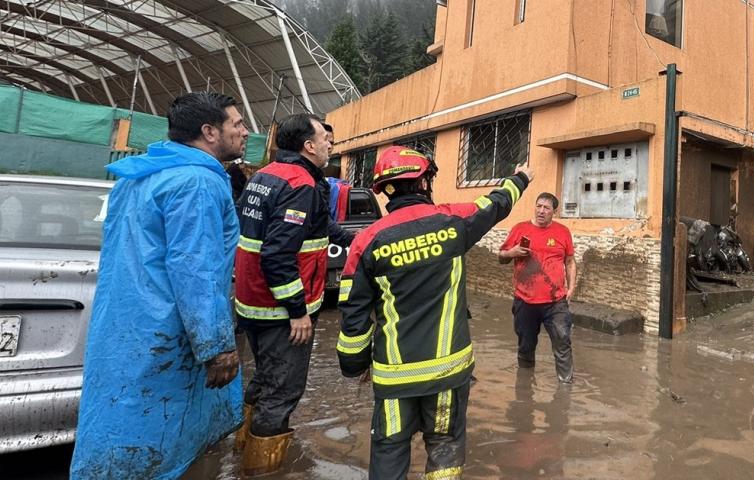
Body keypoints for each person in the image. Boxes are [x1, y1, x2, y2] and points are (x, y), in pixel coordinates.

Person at [70, 92, 248, 479]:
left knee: (122, 424)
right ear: (209, 132)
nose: (244, 132)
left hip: (127, 329)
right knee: (165, 443)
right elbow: (195, 268)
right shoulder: (198, 183)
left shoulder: (140, 178)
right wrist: (216, 347)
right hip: (170, 335)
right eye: (236, 124)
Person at [337, 146, 533, 479]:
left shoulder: (366, 242)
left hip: (393, 379)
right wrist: (521, 177)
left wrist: (356, 365)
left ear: (385, 190)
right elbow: (496, 204)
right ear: (424, 182)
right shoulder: (453, 223)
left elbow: (353, 318)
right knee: (444, 448)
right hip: (448, 374)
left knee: (389, 451)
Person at [234, 113, 354, 476]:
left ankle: (240, 450)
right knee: (282, 392)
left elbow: (318, 227)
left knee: (263, 380)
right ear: (308, 145)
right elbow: (277, 254)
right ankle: (263, 470)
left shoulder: (267, 175)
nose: (330, 144)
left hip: (252, 304)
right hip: (280, 313)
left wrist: (360, 237)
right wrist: (298, 310)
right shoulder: (301, 183)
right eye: (325, 139)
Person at [498, 192, 577, 383]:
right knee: (526, 345)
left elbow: (570, 261)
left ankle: (565, 384)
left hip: (555, 301)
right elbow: (501, 257)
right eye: (539, 206)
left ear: (554, 212)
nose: (541, 211)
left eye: (546, 208)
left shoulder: (563, 232)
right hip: (525, 300)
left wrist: (571, 288)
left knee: (562, 340)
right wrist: (512, 252)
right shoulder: (520, 229)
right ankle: (525, 384)